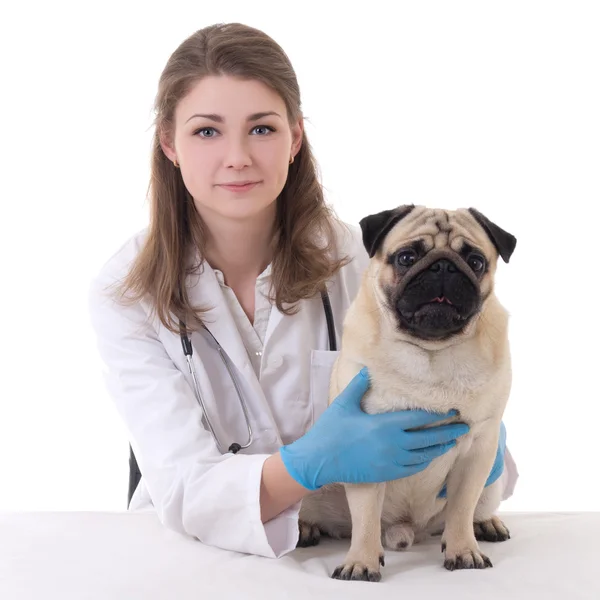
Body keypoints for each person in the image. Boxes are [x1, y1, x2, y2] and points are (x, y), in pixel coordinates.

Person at [88, 22, 518, 559]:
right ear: (168, 143)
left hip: (348, 549)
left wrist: (484, 442)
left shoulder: (370, 262)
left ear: (295, 138)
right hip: (193, 554)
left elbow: (466, 440)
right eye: (207, 131)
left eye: (262, 128)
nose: (238, 156)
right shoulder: (125, 290)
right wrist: (310, 463)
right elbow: (183, 488)